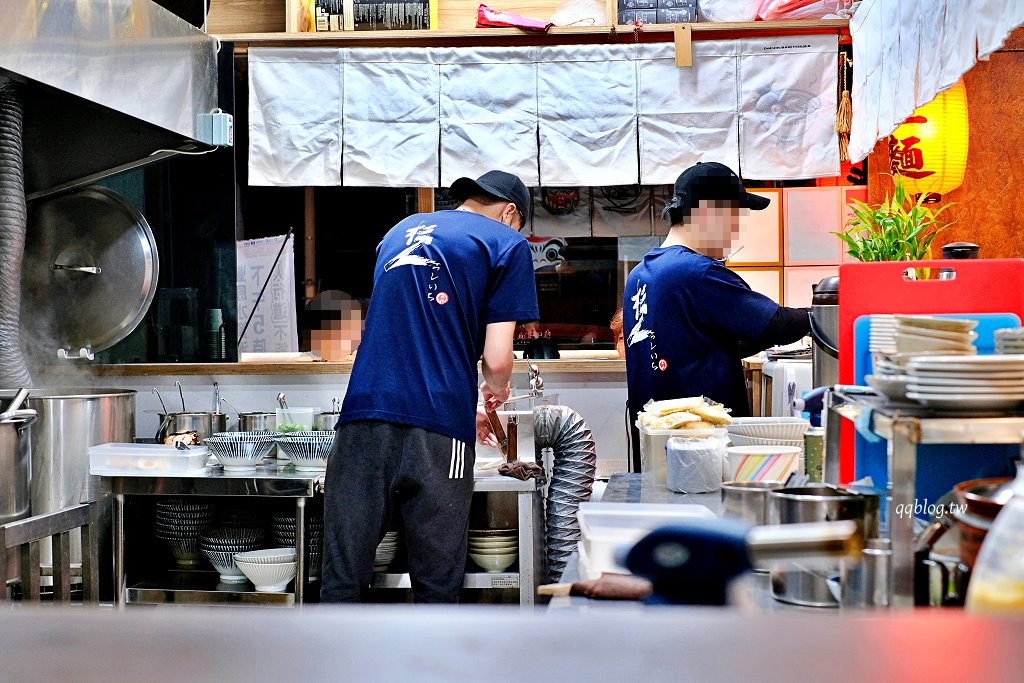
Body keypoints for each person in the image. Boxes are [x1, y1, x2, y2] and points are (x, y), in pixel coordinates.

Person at [321, 170, 539, 604]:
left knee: (343, 578)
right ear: (510, 212)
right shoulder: (505, 242)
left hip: (361, 418)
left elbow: (407, 328)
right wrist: (492, 392)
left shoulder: (397, 233)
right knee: (436, 583)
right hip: (439, 427)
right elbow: (497, 360)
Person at [622, 162, 810, 470]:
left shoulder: (641, 274)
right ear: (708, 211)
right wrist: (822, 315)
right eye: (734, 216)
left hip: (657, 450)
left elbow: (695, 344)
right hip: (699, 449)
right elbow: (776, 323)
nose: (736, 229)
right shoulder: (697, 271)